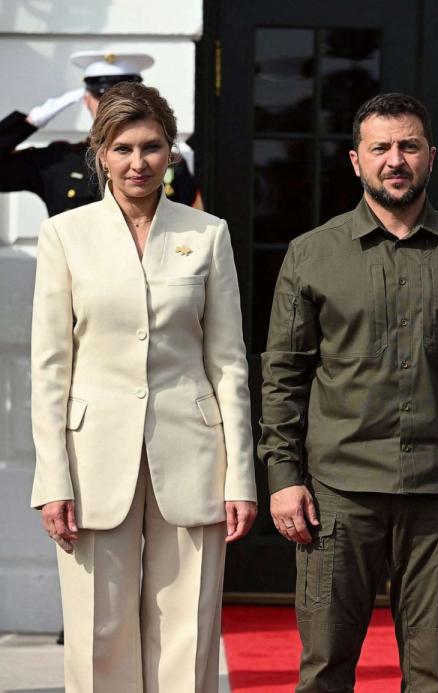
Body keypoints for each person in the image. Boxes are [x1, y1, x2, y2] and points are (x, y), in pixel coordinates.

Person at [258, 92, 438, 693]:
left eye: (408, 146)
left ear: (431, 156)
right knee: (324, 671)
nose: (395, 160)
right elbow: (284, 375)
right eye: (380, 148)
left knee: (432, 679)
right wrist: (283, 477)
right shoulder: (311, 254)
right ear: (356, 160)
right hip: (336, 495)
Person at [31, 81, 257, 692]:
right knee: (97, 635)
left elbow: (229, 363)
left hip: (194, 455)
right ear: (100, 152)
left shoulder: (208, 233)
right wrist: (52, 479)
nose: (138, 163)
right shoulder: (65, 235)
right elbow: (51, 367)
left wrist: (241, 477)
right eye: (123, 148)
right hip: (91, 459)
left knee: (187, 635)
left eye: (152, 147)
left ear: (171, 153)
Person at [1, 49, 200, 216]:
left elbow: (193, 225)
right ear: (87, 100)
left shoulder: (165, 161)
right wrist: (29, 122)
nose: (112, 107)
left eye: (122, 97)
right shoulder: (58, 160)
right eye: (101, 97)